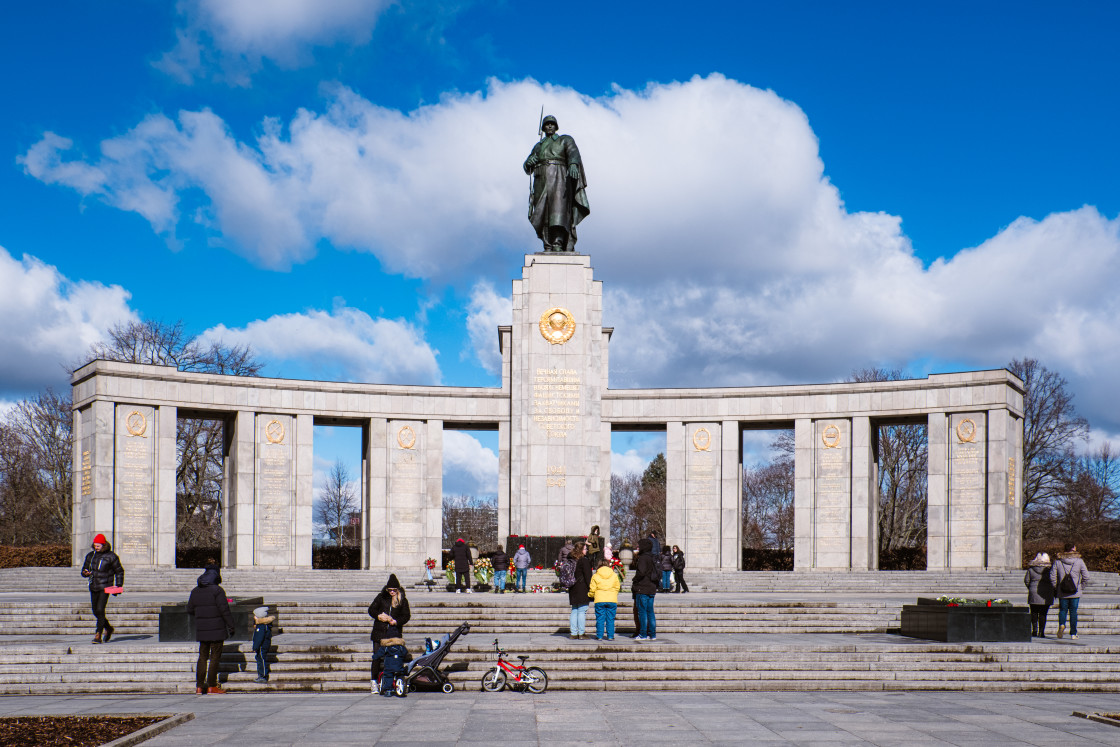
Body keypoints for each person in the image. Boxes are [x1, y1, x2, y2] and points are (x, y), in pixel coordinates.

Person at [522, 114, 589, 252]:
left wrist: (573, 164)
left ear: (556, 126)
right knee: (543, 212)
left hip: (559, 177)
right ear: (544, 128)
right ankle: (547, 244)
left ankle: (558, 242)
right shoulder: (538, 146)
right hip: (541, 178)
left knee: (557, 211)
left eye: (552, 123)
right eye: (547, 124)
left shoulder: (565, 139)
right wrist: (528, 163)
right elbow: (527, 165)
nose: (550, 126)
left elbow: (573, 152)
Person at [186, 562, 235, 694]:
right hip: (217, 628)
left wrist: (202, 614)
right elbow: (224, 610)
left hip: (202, 629)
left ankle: (199, 686)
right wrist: (231, 626)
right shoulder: (217, 590)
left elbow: (189, 609)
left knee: (202, 657)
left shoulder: (195, 590)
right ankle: (212, 685)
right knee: (214, 657)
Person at [368, 574, 411, 694]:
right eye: (390, 590)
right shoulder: (381, 597)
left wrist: (396, 621)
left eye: (394, 590)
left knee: (395, 658)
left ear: (398, 589)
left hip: (394, 633)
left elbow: (406, 616)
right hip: (379, 632)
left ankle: (394, 681)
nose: (392, 592)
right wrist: (379, 616)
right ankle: (374, 681)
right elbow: (371, 609)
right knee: (376, 657)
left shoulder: (402, 600)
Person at [80, 533, 124, 644]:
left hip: (105, 586)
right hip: (94, 585)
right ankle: (108, 628)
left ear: (103, 545)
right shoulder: (90, 555)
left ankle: (98, 634)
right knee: (95, 611)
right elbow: (84, 570)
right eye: (95, 545)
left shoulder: (111, 556)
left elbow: (119, 571)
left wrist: (118, 586)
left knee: (100, 609)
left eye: (98, 545)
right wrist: (85, 573)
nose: (96, 547)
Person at [1050, 543, 1090, 639]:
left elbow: (1052, 576)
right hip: (1075, 591)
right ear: (1073, 549)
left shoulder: (1058, 561)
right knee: (1073, 612)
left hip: (1062, 591)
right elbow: (1086, 577)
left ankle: (1062, 625)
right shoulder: (1079, 561)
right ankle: (1073, 633)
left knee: (1062, 610)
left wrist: (1056, 587)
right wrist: (1081, 587)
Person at [632, 538, 659, 641]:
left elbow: (641, 572)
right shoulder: (653, 557)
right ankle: (652, 634)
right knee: (650, 612)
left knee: (642, 612)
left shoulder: (643, 558)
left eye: (639, 546)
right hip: (651, 588)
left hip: (643, 587)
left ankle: (643, 634)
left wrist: (635, 579)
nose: (638, 548)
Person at [374, 624, 409, 698]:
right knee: (400, 674)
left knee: (388, 676)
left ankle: (388, 690)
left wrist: (374, 657)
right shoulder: (401, 647)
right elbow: (405, 653)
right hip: (399, 666)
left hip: (389, 667)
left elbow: (379, 654)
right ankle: (401, 685)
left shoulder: (386, 647)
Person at [589, 558, 621, 640]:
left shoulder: (595, 575)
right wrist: (613, 593)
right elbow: (617, 587)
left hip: (600, 599)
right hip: (612, 599)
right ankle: (610, 636)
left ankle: (599, 636)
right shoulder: (614, 575)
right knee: (610, 618)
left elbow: (592, 589)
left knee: (600, 618)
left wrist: (591, 595)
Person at [1024, 553, 1054, 638]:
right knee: (1043, 613)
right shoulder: (1049, 570)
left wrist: (1031, 587)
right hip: (1046, 593)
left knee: (1033, 612)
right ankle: (1041, 632)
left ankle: (1034, 631)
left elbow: (1026, 581)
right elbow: (1053, 580)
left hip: (1034, 592)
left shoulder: (1031, 569)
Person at [567, 542, 593, 639]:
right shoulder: (583, 560)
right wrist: (591, 588)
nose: (586, 550)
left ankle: (573, 633)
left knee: (574, 610)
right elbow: (588, 576)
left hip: (573, 587)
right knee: (582, 610)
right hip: (582, 588)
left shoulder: (571, 559)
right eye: (585, 549)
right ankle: (581, 633)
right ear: (581, 550)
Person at [251, 605, 274, 683]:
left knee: (261, 659)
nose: (254, 617)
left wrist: (255, 647)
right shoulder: (265, 625)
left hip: (261, 646)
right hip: (262, 645)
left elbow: (259, 638)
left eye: (255, 615)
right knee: (260, 659)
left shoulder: (261, 626)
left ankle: (263, 675)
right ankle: (261, 674)